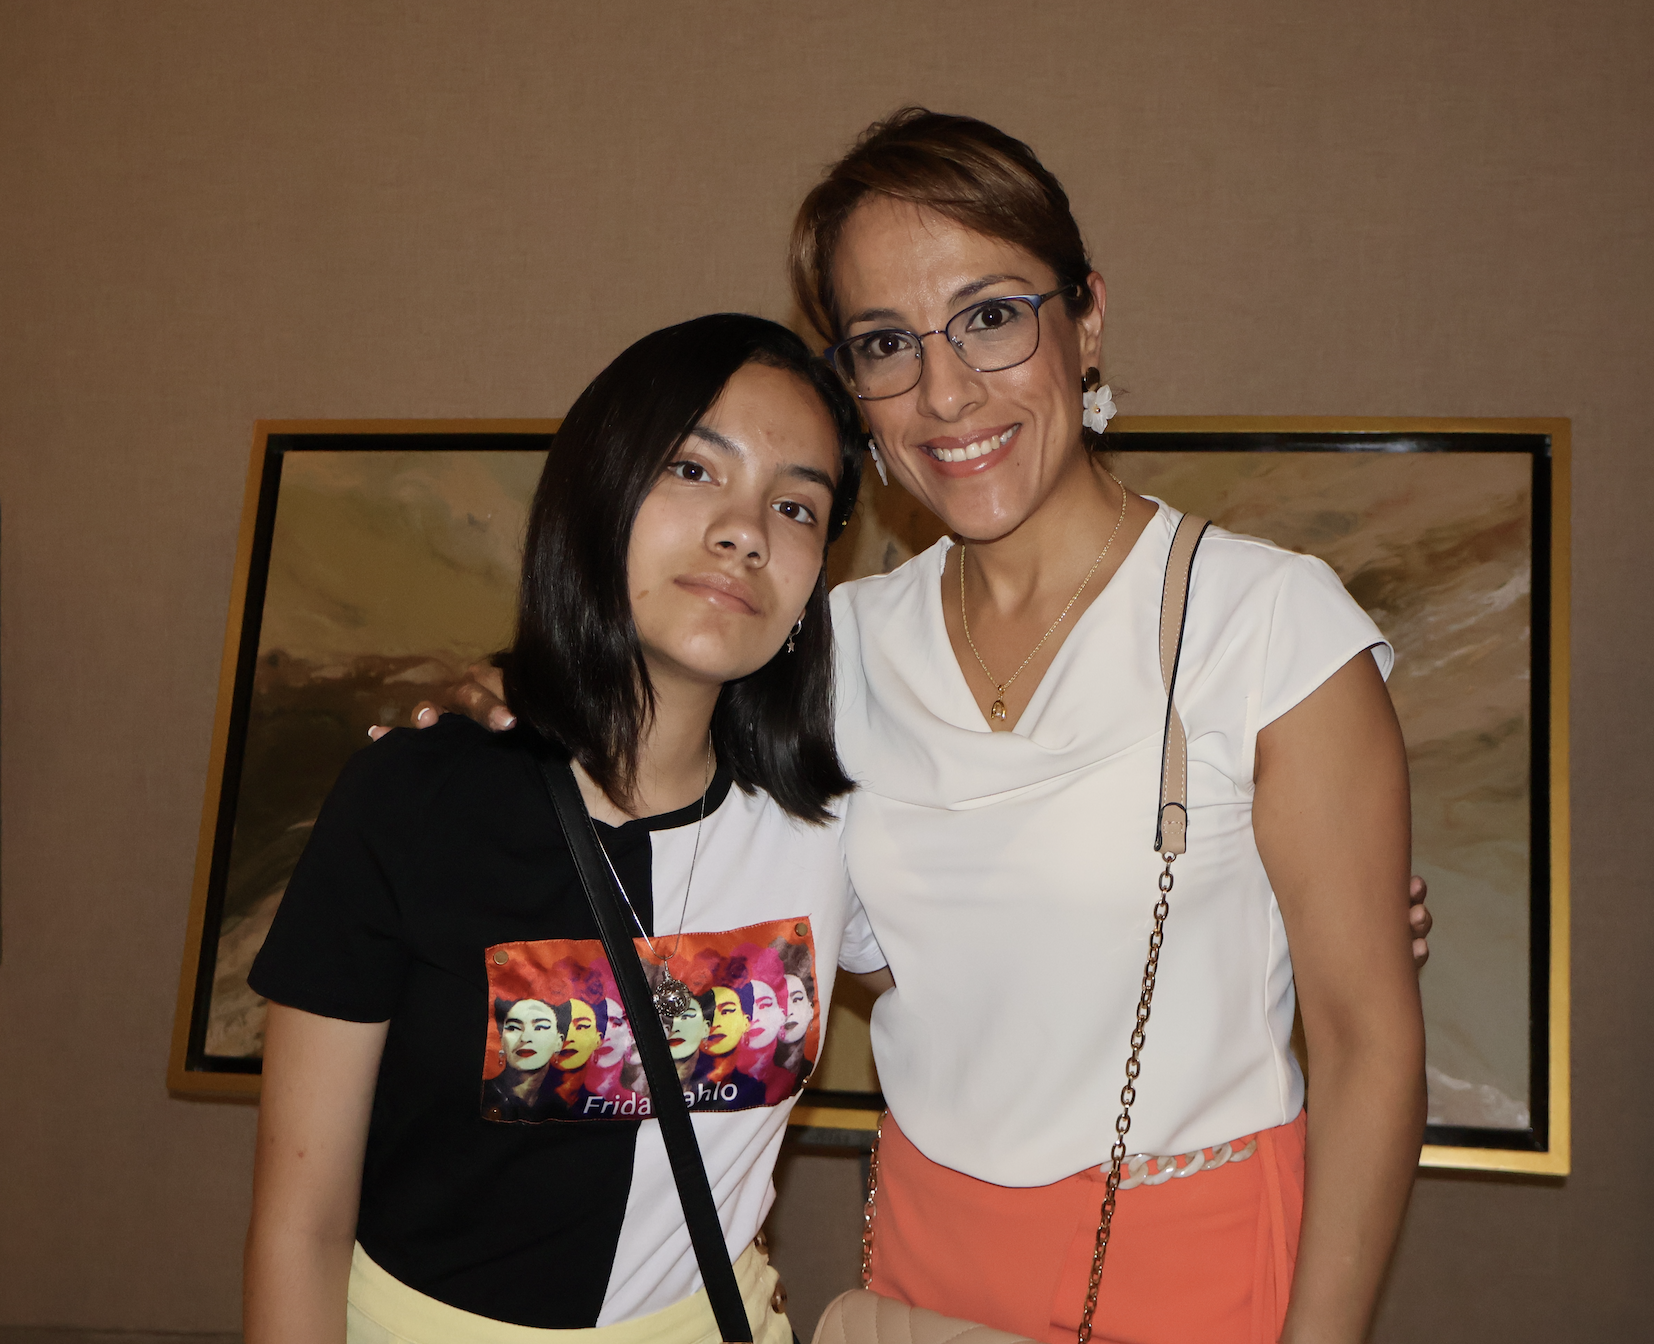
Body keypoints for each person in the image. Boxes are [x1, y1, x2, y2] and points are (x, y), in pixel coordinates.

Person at [430, 110, 1436, 1344]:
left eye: (991, 316)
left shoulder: (1265, 621)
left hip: (1200, 1259)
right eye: (885, 344)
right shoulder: (825, 646)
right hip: (920, 1254)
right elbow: (668, 799)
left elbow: (1367, 1046)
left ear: (1086, 319)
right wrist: (483, 697)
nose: (945, 391)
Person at [242, 312, 880, 1344]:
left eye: (795, 506)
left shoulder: (829, 825)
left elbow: (983, 1018)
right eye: (692, 470)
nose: (746, 530)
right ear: (599, 493)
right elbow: (299, 1227)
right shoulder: (414, 800)